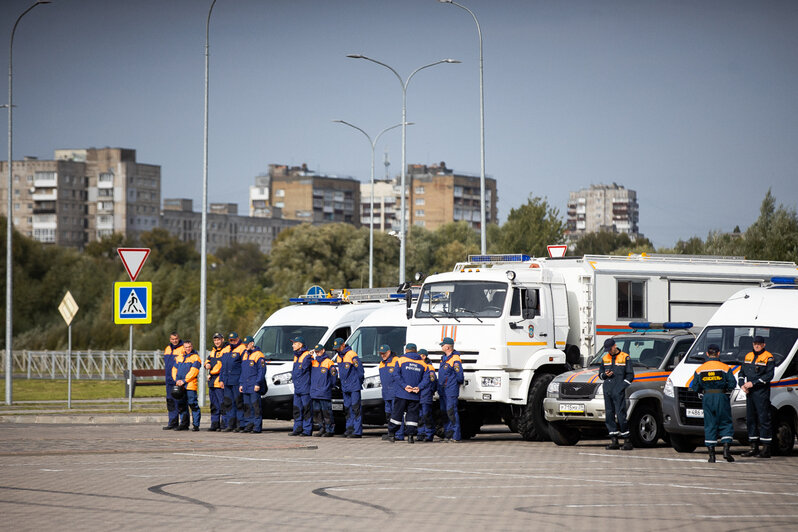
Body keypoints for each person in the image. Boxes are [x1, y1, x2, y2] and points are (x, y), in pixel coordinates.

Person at [690, 343, 737, 463]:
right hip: (721, 396)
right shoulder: (725, 367)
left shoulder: (700, 369)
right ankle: (726, 451)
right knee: (725, 422)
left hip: (707, 397)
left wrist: (702, 391)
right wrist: (725, 390)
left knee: (710, 424)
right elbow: (732, 383)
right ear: (718, 353)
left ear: (707, 354)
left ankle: (712, 456)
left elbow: (694, 386)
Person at [739, 335, 775, 458]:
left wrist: (753, 383)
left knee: (764, 419)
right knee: (750, 419)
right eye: (755, 343)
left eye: (759, 343)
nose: (757, 345)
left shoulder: (768, 357)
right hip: (750, 393)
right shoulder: (748, 356)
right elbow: (741, 372)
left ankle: (766, 448)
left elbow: (769, 376)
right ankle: (753, 447)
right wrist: (742, 385)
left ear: (764, 345)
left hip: (761, 392)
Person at [386, 343, 428, 444]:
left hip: (402, 393)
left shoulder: (400, 360)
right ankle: (410, 437)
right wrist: (418, 387)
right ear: (416, 351)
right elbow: (426, 379)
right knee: (412, 417)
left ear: (406, 350)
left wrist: (405, 386)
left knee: (397, 414)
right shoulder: (423, 364)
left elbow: (396, 375)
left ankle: (391, 434)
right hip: (415, 394)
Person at [599, 338, 635, 450]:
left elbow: (630, 376)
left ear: (614, 346)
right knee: (609, 415)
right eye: (607, 350)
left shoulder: (625, 357)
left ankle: (627, 440)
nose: (609, 351)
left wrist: (621, 387)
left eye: (610, 349)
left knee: (621, 415)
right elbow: (600, 374)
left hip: (618, 391)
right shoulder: (605, 358)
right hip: (607, 390)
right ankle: (614, 440)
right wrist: (605, 375)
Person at [333, 337, 365, 438]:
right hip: (345, 386)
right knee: (347, 409)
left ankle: (357, 431)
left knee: (356, 408)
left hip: (354, 386)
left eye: (338, 347)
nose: (337, 349)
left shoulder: (351, 354)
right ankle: (349, 429)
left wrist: (358, 383)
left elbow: (360, 371)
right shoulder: (338, 357)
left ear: (343, 345)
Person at [172, 339, 202, 431]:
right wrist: (177, 380)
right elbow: (174, 369)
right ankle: (184, 424)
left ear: (192, 347)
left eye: (189, 347)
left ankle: (196, 425)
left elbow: (194, 372)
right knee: (181, 405)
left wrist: (184, 381)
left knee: (193, 404)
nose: (188, 349)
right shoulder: (179, 357)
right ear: (183, 347)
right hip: (180, 385)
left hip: (190, 385)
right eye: (186, 347)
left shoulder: (196, 358)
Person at [239, 336, 267, 433]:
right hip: (246, 385)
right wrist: (241, 384)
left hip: (254, 385)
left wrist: (258, 383)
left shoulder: (258, 355)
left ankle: (257, 427)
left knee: (256, 406)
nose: (245, 346)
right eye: (244, 345)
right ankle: (248, 425)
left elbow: (262, 370)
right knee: (247, 406)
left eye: (247, 344)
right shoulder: (245, 354)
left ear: (252, 343)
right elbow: (242, 371)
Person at [438, 337, 464, 442]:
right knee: (444, 412)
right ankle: (448, 435)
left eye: (443, 345)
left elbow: (459, 376)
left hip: (450, 389)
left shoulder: (455, 359)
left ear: (448, 347)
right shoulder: (444, 358)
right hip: (442, 389)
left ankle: (456, 436)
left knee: (451, 411)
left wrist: (454, 385)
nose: (441, 346)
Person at [219, 332, 246, 432]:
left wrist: (242, 381)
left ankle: (241, 424)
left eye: (234, 340)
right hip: (227, 381)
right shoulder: (226, 349)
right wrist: (221, 379)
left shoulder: (242, 348)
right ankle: (231, 424)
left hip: (236, 380)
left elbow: (244, 366)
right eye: (230, 340)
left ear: (238, 339)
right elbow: (222, 367)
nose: (232, 342)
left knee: (238, 403)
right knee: (229, 403)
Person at [378, 344, 404, 441]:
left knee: (396, 414)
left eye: (384, 353)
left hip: (395, 392)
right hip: (386, 393)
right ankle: (391, 433)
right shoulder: (381, 363)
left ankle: (399, 434)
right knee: (388, 414)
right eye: (381, 354)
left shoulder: (396, 360)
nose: (382, 355)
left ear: (389, 352)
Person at [310, 343, 337, 437]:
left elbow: (334, 377)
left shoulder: (329, 362)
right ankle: (322, 428)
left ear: (323, 350)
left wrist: (328, 386)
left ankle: (330, 430)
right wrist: (309, 355)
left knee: (327, 412)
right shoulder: (313, 362)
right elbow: (304, 366)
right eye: (316, 352)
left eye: (319, 351)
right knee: (317, 412)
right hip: (315, 392)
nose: (317, 353)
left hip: (324, 392)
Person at [290, 336, 313, 437]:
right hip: (297, 388)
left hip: (305, 388)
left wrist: (310, 356)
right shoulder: (296, 356)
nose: (292, 345)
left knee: (306, 409)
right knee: (296, 409)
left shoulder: (307, 355)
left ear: (300, 345)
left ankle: (307, 430)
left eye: (294, 343)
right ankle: (297, 428)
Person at [162, 332, 185, 430]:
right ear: (170, 339)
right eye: (172, 339)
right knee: (170, 401)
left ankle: (183, 423)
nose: (174, 341)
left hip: (178, 379)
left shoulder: (183, 348)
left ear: (179, 338)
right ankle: (172, 422)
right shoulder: (167, 348)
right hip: (169, 380)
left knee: (180, 401)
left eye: (176, 339)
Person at [204, 332, 226, 431]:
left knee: (222, 404)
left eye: (218, 339)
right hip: (212, 382)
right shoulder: (213, 351)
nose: (217, 342)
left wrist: (211, 371)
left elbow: (219, 365)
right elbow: (207, 360)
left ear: (222, 339)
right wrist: (207, 365)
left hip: (219, 381)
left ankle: (224, 424)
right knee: (213, 405)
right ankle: (214, 424)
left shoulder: (225, 350)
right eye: (215, 340)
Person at [417, 348, 438, 442]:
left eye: (419, 355)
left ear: (424, 356)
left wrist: (430, 391)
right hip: (419, 393)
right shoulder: (419, 366)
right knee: (420, 416)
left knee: (426, 415)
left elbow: (432, 381)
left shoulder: (429, 367)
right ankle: (421, 434)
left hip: (426, 393)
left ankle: (429, 434)